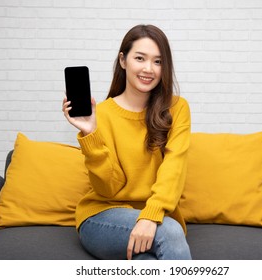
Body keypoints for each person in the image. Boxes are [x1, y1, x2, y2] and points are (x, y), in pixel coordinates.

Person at [62, 24, 192, 260]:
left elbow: (175, 167)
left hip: (155, 218)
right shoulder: (101, 114)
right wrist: (91, 134)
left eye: (158, 62)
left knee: (147, 261)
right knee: (170, 233)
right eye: (140, 58)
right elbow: (108, 189)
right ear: (123, 60)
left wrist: (151, 215)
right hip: (102, 216)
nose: (148, 69)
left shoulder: (177, 108)